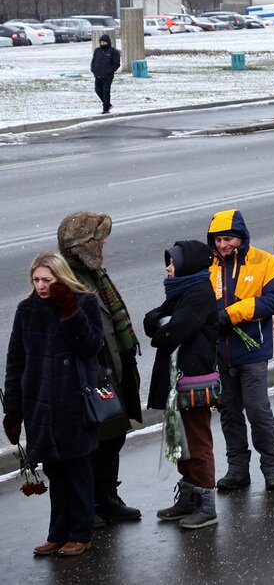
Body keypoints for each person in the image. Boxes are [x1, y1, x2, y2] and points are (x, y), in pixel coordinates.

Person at [5, 252, 105, 557]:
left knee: (77, 472)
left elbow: (91, 347)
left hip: (73, 401)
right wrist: (13, 409)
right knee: (55, 472)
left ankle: (80, 533)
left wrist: (69, 308)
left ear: (60, 277)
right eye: (36, 280)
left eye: (47, 279)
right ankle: (57, 533)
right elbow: (16, 361)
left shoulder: (83, 302)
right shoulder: (26, 310)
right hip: (40, 404)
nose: (41, 286)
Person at [55, 211, 142, 526]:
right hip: (92, 370)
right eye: (99, 238)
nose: (104, 242)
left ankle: (106, 497)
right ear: (84, 246)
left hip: (113, 364)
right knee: (93, 440)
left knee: (114, 435)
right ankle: (87, 504)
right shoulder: (67, 279)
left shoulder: (95, 273)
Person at [207, 209, 274, 491]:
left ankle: (272, 468)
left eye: (227, 238)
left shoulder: (264, 261)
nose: (222, 245)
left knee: (257, 410)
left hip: (252, 353)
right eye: (217, 240)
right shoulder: (210, 266)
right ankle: (238, 469)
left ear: (240, 236)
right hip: (221, 353)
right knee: (229, 412)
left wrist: (233, 314)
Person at [146, 240, 220, 530]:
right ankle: (189, 496)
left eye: (173, 262)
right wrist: (162, 325)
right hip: (177, 379)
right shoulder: (181, 291)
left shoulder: (198, 293)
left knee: (197, 441)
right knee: (180, 440)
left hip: (193, 380)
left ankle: (206, 504)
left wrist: (164, 327)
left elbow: (173, 332)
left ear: (187, 265)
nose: (168, 267)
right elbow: (151, 320)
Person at [90, 33, 120, 114]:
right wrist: (93, 70)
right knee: (98, 90)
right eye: (101, 42)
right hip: (98, 74)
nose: (103, 44)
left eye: (104, 42)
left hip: (107, 76)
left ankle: (105, 108)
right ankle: (108, 104)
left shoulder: (113, 51)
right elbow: (93, 61)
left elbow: (116, 64)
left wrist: (109, 71)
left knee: (106, 91)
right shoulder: (97, 51)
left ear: (108, 42)